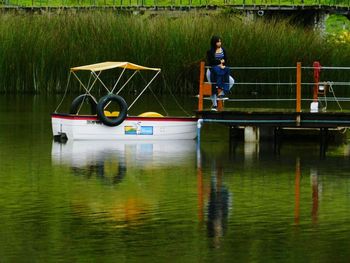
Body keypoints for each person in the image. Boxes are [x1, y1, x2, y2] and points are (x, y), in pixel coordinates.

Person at [206, 36, 235, 111]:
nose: (219, 43)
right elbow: (211, 62)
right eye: (218, 41)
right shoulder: (210, 51)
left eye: (220, 41)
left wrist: (220, 63)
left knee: (231, 81)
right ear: (214, 43)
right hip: (211, 71)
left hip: (221, 70)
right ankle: (214, 105)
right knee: (213, 87)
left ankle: (221, 94)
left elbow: (226, 60)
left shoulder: (223, 50)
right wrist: (220, 62)